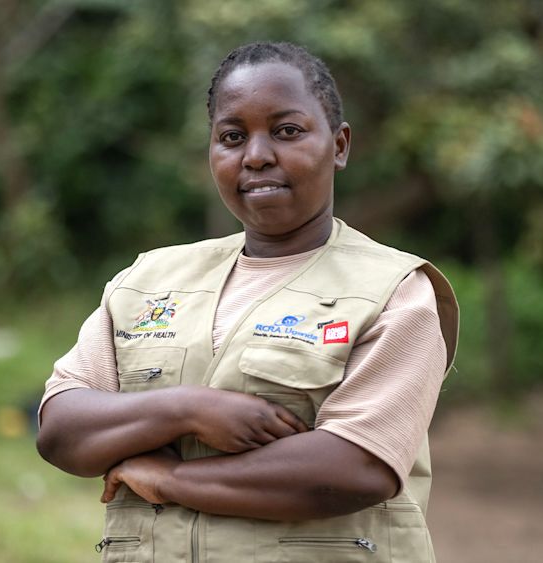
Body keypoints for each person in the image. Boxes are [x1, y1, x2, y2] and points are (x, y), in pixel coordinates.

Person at [37, 41, 458, 563]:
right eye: (232, 137)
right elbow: (62, 430)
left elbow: (357, 466)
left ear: (339, 145)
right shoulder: (147, 281)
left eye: (287, 131)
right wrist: (189, 409)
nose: (256, 156)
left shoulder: (394, 290)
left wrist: (170, 478)